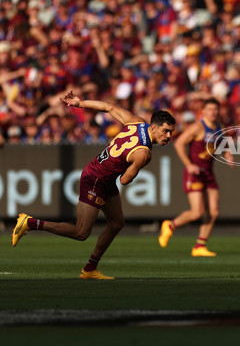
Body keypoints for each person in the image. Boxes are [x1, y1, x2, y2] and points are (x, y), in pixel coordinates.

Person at [11, 91, 176, 279]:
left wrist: (79, 103)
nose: (169, 135)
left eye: (171, 132)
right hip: (96, 179)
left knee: (116, 223)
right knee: (81, 232)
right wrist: (135, 167)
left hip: (103, 176)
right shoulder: (144, 153)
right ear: (153, 128)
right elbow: (124, 180)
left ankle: (89, 269)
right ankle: (30, 223)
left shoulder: (136, 121)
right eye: (166, 131)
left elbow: (109, 107)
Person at [158, 98, 232, 257]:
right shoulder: (197, 127)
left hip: (208, 172)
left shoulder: (220, 127)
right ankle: (170, 225)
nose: (213, 112)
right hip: (194, 172)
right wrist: (188, 164)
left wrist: (228, 154)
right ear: (203, 111)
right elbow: (179, 144)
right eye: (210, 109)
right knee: (197, 212)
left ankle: (199, 246)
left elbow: (224, 143)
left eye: (215, 109)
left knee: (214, 211)